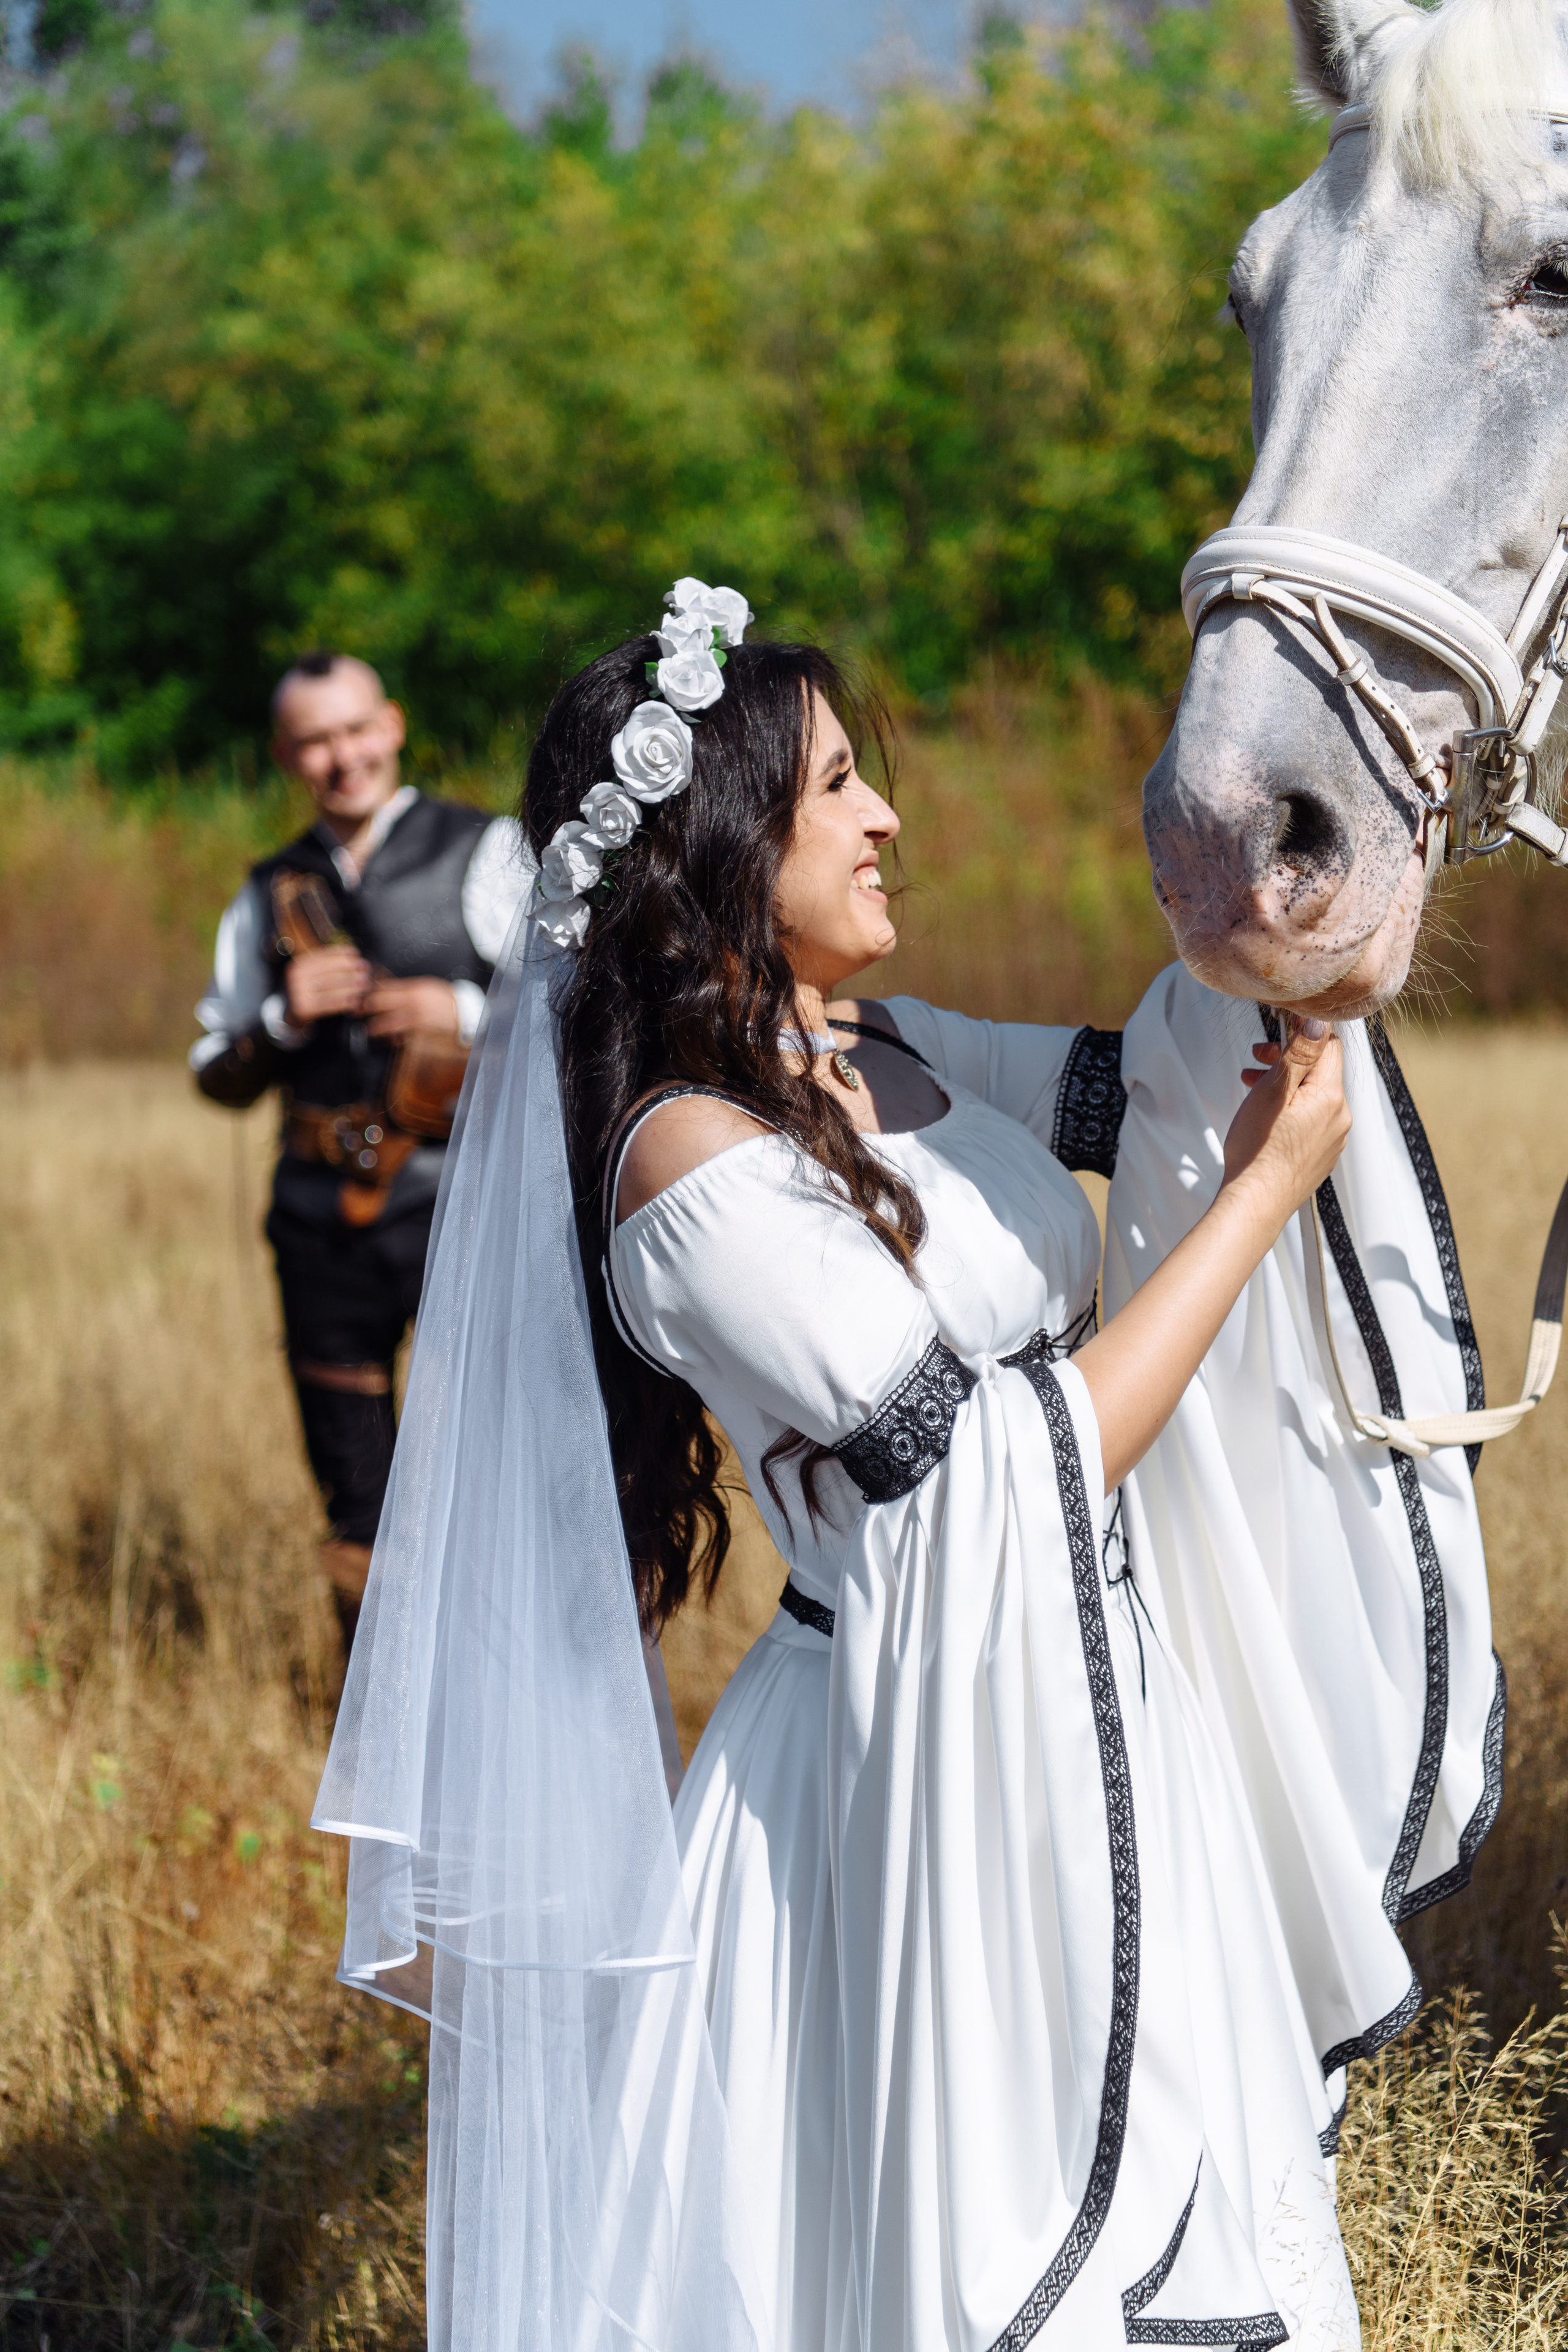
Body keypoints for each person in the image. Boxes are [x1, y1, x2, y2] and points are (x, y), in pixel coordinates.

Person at [312, 585, 1498, 2350]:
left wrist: (1303, 851)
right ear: (725, 855)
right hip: (892, 1771)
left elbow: (1165, 1082)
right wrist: (1258, 1201)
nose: (886, 819)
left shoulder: (899, 1048)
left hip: (1102, 1710)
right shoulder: (687, 1171)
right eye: (837, 790)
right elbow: (1006, 1474)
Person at [190, 652, 530, 1649]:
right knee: (356, 1491)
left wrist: (462, 1008)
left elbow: (585, 1012)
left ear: (392, 724)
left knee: (500, 1468)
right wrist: (281, 1021)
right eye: (315, 741)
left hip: (466, 1210)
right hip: (321, 1227)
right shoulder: (269, 890)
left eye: (355, 731)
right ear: (286, 755)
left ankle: (496, 1702)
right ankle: (373, 1738)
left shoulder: (488, 849)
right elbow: (216, 1072)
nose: (341, 758)